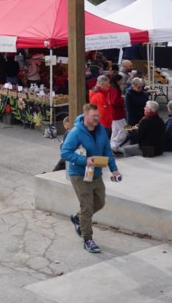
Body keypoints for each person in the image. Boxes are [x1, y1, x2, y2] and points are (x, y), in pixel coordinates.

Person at [59, 103, 121, 254]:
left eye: (98, 116)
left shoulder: (100, 131)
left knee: (99, 202)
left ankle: (77, 218)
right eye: (94, 116)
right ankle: (88, 239)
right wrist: (84, 160)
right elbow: (65, 153)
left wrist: (114, 170)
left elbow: (107, 150)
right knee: (87, 206)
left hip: (96, 173)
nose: (97, 119)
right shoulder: (75, 132)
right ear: (85, 116)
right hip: (79, 174)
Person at [88, 75, 115, 140]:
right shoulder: (99, 96)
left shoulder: (95, 92)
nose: (109, 85)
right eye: (108, 84)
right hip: (103, 124)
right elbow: (102, 113)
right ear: (102, 84)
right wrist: (109, 122)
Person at [108, 72, 129, 153]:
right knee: (124, 130)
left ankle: (113, 145)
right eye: (120, 80)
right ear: (117, 81)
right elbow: (115, 101)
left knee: (115, 130)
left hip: (114, 113)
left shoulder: (112, 88)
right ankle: (114, 145)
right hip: (118, 113)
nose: (122, 82)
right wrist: (123, 99)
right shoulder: (115, 89)